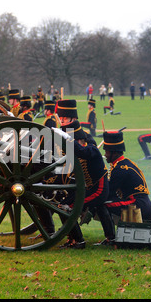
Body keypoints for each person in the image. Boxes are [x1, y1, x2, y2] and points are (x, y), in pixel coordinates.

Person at [50, 100, 109, 249]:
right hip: (82, 186)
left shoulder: (85, 138)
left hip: (97, 188)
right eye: (60, 118)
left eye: (64, 118)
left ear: (73, 119)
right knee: (62, 204)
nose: (61, 121)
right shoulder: (66, 135)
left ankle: (78, 241)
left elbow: (85, 152)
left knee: (65, 207)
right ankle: (74, 238)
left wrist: (68, 140)